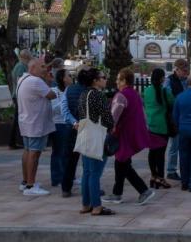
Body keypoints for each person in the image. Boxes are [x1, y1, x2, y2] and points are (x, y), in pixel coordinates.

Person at [101, 68, 158, 206]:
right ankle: (119, 193)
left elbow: (112, 117)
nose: (116, 81)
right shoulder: (135, 94)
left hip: (124, 135)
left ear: (124, 81)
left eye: (118, 79)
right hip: (133, 134)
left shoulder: (121, 96)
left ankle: (141, 191)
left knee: (122, 163)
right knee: (123, 163)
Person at [75, 68, 115, 216]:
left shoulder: (83, 94)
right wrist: (111, 126)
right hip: (97, 136)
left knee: (86, 172)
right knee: (95, 173)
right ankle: (97, 206)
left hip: (85, 134)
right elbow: (107, 117)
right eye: (103, 77)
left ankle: (86, 205)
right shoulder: (98, 95)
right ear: (95, 81)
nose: (105, 79)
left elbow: (79, 113)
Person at [16, 58, 56, 196]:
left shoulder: (22, 79)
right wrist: (49, 81)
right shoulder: (36, 81)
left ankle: (25, 182)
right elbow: (52, 95)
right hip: (35, 123)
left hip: (26, 122)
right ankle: (30, 185)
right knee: (34, 154)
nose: (45, 69)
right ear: (32, 68)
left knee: (28, 151)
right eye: (42, 66)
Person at [143, 68, 175, 190]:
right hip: (163, 126)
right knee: (161, 154)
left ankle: (153, 176)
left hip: (151, 125)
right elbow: (173, 103)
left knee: (152, 152)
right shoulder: (165, 91)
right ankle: (161, 178)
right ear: (162, 78)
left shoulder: (146, 91)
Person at [60, 69, 85, 197]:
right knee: (89, 161)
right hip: (86, 130)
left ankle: (66, 188)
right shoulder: (91, 92)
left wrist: (74, 123)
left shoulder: (68, 90)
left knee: (70, 160)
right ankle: (90, 187)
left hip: (71, 129)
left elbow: (64, 110)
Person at [164, 58, 188, 181]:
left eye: (186, 71)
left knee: (179, 144)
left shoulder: (185, 81)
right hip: (174, 117)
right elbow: (167, 97)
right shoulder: (169, 81)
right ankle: (171, 170)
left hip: (183, 116)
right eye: (183, 71)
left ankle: (174, 169)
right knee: (174, 144)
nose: (185, 73)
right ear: (176, 69)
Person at [50, 69, 74, 192]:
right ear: (63, 79)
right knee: (58, 152)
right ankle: (57, 178)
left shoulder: (70, 90)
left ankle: (68, 176)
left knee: (68, 153)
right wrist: (63, 102)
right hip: (58, 124)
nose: (71, 77)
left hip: (68, 124)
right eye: (69, 75)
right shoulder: (54, 91)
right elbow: (52, 109)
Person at [8, 49, 31, 149]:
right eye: (29, 57)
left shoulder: (20, 65)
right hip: (19, 96)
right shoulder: (21, 66)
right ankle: (12, 142)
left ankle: (13, 142)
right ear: (25, 57)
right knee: (18, 119)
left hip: (18, 96)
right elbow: (20, 81)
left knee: (18, 118)